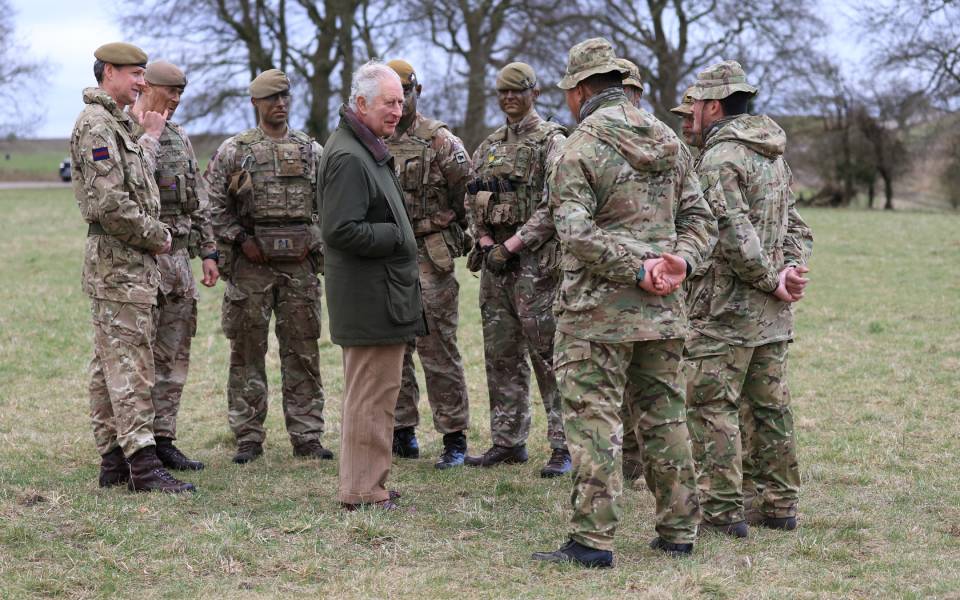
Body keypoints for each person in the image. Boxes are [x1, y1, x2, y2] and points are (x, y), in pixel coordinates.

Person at [532, 37, 717, 568]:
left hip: (596, 315)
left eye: (570, 91)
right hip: (663, 313)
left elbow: (574, 231)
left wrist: (637, 269)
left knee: (594, 422)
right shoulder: (669, 141)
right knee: (664, 417)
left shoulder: (578, 147)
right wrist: (679, 261)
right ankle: (680, 530)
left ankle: (593, 541)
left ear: (584, 89)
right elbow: (701, 220)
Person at [683, 60, 813, 537]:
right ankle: (780, 504)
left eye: (695, 103)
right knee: (770, 406)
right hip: (772, 310)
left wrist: (772, 278)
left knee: (712, 405)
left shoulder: (721, 158)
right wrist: (791, 272)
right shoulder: (773, 154)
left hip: (726, 310)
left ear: (713, 106)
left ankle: (722, 509)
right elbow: (796, 225)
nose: (691, 111)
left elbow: (731, 233)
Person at [71, 42, 194, 493]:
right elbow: (112, 205)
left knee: (110, 363)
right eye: (135, 74)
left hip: (127, 265)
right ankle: (142, 465)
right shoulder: (96, 126)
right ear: (109, 73)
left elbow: (137, 180)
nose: (142, 83)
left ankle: (113, 462)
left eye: (144, 75)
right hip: (119, 265)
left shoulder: (119, 123)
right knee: (129, 364)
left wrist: (148, 138)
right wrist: (157, 235)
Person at [205, 69, 330, 464]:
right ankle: (248, 436)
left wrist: (314, 240)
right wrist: (243, 241)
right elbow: (213, 207)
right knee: (246, 353)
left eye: (284, 97)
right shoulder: (234, 151)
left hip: (300, 271)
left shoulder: (312, 151)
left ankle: (307, 435)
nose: (279, 104)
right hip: (251, 268)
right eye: (271, 98)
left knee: (303, 352)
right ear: (255, 103)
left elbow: (332, 205)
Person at [319, 60, 427, 511]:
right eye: (388, 102)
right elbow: (340, 229)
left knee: (379, 394)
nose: (397, 110)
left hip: (383, 294)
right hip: (370, 299)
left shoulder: (367, 146)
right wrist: (396, 235)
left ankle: (370, 483)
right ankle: (362, 491)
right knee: (370, 396)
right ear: (360, 103)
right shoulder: (348, 155)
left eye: (401, 101)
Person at [463, 62, 572, 478]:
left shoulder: (552, 142)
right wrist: (487, 241)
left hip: (537, 266)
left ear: (534, 93)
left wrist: (514, 244)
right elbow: (473, 199)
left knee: (548, 356)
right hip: (496, 267)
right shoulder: (489, 145)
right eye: (503, 93)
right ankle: (508, 441)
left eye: (518, 91)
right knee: (501, 355)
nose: (510, 98)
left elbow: (556, 204)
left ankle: (564, 446)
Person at [130, 60, 218, 472]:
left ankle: (164, 438)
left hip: (180, 262)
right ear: (147, 87)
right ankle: (135, 443)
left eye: (182, 92)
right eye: (171, 92)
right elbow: (129, 187)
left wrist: (210, 252)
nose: (177, 100)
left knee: (174, 356)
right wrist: (148, 136)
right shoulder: (127, 133)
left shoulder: (180, 137)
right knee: (140, 356)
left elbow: (197, 200)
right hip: (144, 261)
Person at [384, 59, 473, 469]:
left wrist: (442, 225)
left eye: (405, 93)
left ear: (417, 92)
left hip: (428, 257)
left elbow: (466, 196)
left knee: (438, 349)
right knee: (393, 348)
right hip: (386, 257)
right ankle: (402, 431)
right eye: (391, 96)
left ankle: (454, 437)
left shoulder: (439, 141)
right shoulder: (371, 139)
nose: (399, 103)